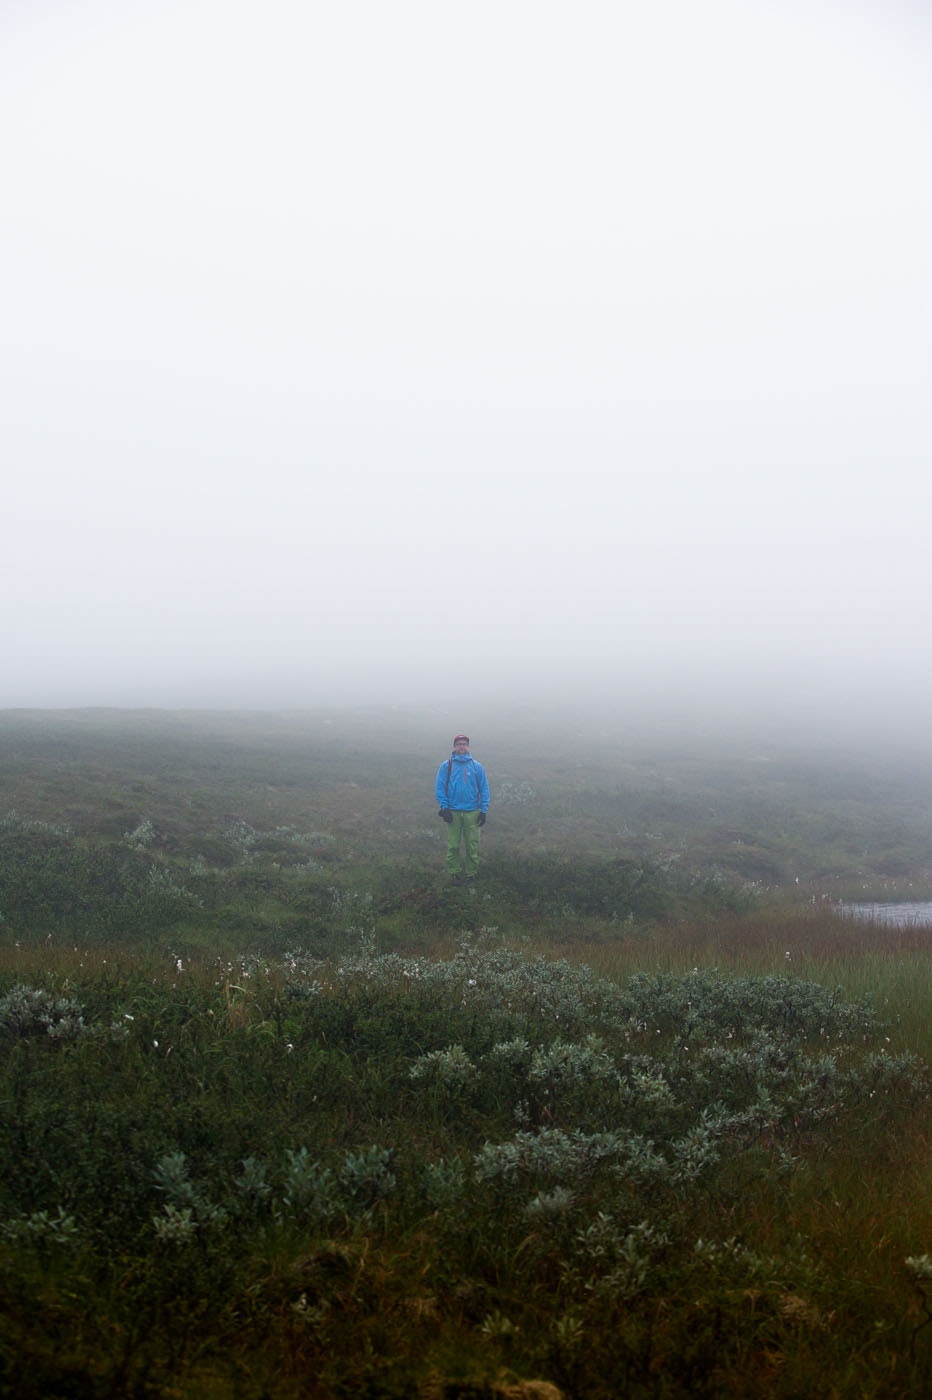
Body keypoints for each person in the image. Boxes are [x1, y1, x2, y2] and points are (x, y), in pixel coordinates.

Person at [435, 734, 491, 880]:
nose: (462, 746)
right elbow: (440, 788)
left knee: (472, 846)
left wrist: (483, 810)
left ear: (468, 746)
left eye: (464, 744)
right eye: (459, 744)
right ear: (454, 746)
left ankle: (471, 874)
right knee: (453, 846)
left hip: (472, 812)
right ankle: (454, 873)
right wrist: (444, 808)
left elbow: (484, 788)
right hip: (453, 812)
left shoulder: (477, 766)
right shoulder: (446, 766)